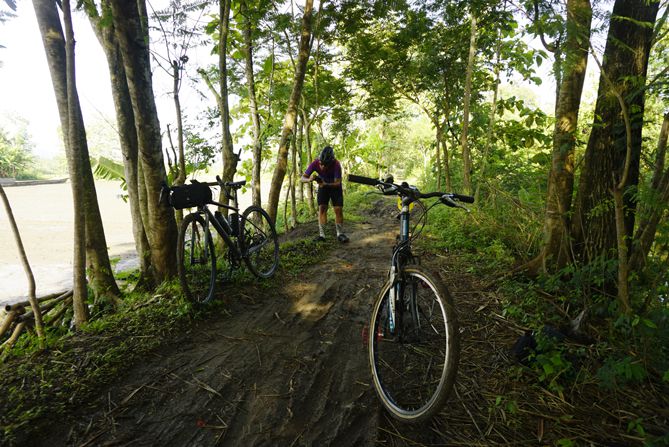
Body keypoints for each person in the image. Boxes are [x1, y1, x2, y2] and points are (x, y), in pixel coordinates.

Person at [301, 145, 349, 243]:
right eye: (321, 164)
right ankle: (322, 235)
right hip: (323, 188)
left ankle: (340, 234)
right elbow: (302, 179)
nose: (322, 166)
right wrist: (310, 179)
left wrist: (325, 184)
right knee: (322, 208)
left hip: (335, 188)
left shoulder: (336, 164)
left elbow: (338, 183)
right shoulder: (315, 163)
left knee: (338, 209)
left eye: (325, 165)